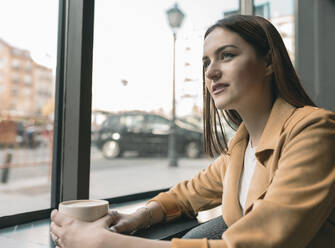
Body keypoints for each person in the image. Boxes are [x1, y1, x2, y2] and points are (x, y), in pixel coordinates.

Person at [49, 15, 335, 248]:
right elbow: (187, 194)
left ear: (269, 62)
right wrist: (136, 217)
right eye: (207, 62)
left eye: (227, 55)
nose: (211, 72)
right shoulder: (241, 145)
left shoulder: (314, 132)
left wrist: (103, 242)